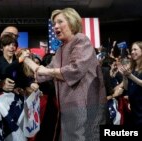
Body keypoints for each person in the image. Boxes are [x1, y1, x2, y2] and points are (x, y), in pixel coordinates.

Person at [22, 8, 106, 141]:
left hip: (84, 107)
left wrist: (47, 71)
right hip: (67, 109)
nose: (55, 26)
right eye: (54, 23)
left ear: (72, 22)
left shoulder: (81, 40)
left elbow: (75, 69)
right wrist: (25, 60)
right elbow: (44, 73)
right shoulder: (60, 49)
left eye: (60, 22)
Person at [117, 41, 142, 125]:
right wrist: (124, 75)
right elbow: (127, 87)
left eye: (135, 49)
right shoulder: (133, 68)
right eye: (132, 50)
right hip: (134, 108)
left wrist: (130, 76)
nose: (132, 52)